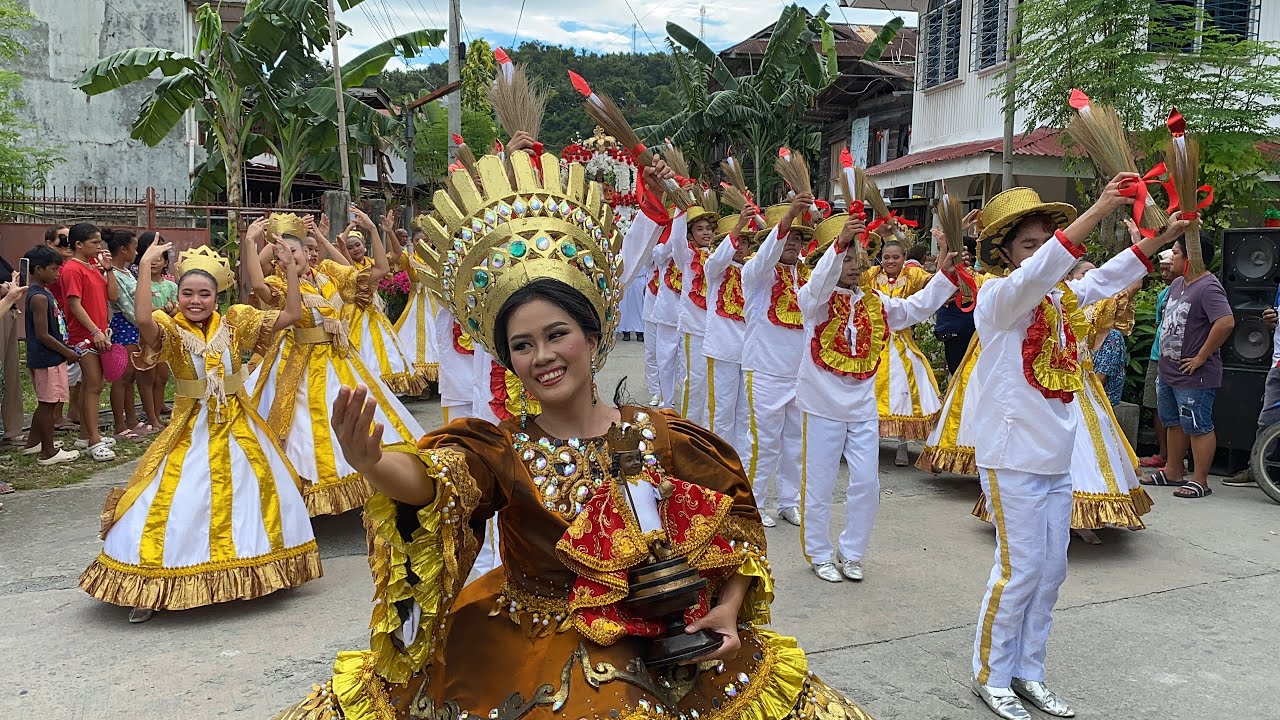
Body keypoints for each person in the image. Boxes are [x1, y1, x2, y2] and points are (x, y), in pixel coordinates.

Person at [273, 148, 874, 720]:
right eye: (522, 345)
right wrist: (374, 463)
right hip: (531, 646)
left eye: (556, 334)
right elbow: (437, 481)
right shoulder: (500, 449)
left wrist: (729, 609)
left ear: (592, 336)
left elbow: (736, 524)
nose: (542, 356)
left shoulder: (660, 436)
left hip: (663, 642)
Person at [967, 181, 1185, 720]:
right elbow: (1041, 272)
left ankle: (1029, 671)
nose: (1042, 251)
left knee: (1050, 575)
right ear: (1003, 253)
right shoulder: (997, 299)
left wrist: (1158, 241)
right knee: (1019, 571)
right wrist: (1100, 207)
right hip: (1011, 455)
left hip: (1055, 454)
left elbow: (1104, 278)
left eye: (1046, 240)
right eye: (1028, 244)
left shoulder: (1060, 300)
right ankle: (991, 675)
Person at [81, 236, 321, 624]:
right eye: (188, 293)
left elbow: (291, 314)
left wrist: (292, 271)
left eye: (204, 294)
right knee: (175, 500)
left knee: (258, 490)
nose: (196, 301)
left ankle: (267, 567)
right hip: (191, 425)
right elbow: (143, 320)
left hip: (239, 423)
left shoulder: (236, 322)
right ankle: (152, 584)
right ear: (177, 296)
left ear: (216, 297)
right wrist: (145, 268)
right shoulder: (171, 329)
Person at [798, 214, 958, 583]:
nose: (855, 266)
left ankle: (852, 552)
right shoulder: (815, 300)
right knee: (820, 484)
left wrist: (947, 275)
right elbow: (816, 286)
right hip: (822, 406)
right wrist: (840, 243)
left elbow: (915, 307)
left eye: (858, 258)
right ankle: (819, 553)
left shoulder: (876, 302)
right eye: (846, 259)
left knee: (867, 483)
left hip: (862, 408)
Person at [247, 212, 425, 516]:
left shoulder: (328, 276)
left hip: (341, 358)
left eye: (295, 250)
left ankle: (376, 473)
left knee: (361, 412)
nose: (290, 257)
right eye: (282, 253)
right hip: (301, 363)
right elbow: (258, 285)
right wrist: (251, 242)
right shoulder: (279, 283)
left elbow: (380, 270)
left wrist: (372, 229)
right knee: (306, 428)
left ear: (307, 252)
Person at [740, 193, 817, 528]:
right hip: (765, 371)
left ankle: (788, 502)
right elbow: (766, 256)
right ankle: (755, 503)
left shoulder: (807, 277)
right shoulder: (756, 273)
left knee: (795, 444)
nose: (793, 242)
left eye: (798, 237)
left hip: (799, 373)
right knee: (764, 443)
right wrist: (788, 218)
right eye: (788, 236)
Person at [1140, 234, 1233, 499]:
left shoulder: (1208, 287)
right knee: (1173, 422)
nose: (1171, 258)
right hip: (1169, 370)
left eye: (1176, 252)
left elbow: (1225, 322)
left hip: (1194, 373)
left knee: (1197, 424)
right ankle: (1173, 470)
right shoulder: (1178, 283)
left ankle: (1200, 480)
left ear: (1191, 256)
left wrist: (1201, 356)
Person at [868, 237, 944, 466]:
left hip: (902, 343)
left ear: (904, 258)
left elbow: (937, 283)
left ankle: (902, 446)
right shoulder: (872, 275)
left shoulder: (912, 275)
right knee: (869, 395)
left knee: (905, 394)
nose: (890, 261)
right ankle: (866, 444)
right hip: (873, 343)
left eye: (896, 257)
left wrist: (943, 248)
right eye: (886, 257)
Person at [336, 216, 428, 396]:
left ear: (364, 245)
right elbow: (339, 247)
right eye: (350, 247)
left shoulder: (373, 263)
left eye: (357, 245)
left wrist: (388, 231)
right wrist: (350, 228)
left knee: (384, 350)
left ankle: (388, 388)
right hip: (353, 314)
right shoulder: (346, 265)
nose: (355, 249)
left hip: (374, 312)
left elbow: (396, 255)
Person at [703, 210, 760, 460]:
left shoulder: (754, 272)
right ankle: (718, 464)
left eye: (745, 241)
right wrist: (737, 228)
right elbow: (716, 261)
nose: (740, 246)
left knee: (745, 415)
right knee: (721, 413)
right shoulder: (715, 269)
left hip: (749, 353)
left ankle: (741, 466)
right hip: (723, 349)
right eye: (737, 240)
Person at [61, 223, 117, 462]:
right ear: (79, 244)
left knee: (90, 386)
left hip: (99, 332)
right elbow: (74, 304)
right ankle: (94, 440)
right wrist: (94, 330)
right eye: (94, 242)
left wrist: (109, 270)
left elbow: (112, 296)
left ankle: (86, 435)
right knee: (93, 385)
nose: (99, 246)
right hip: (84, 335)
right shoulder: (72, 269)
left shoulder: (93, 266)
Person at [671, 194, 720, 424]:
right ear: (690, 235)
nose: (706, 233)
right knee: (695, 381)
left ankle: (710, 431)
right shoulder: (686, 255)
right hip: (695, 328)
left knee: (715, 385)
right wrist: (680, 208)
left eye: (709, 228)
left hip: (717, 330)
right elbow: (676, 239)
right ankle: (689, 429)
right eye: (699, 229)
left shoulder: (718, 256)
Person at [105, 229, 156, 439]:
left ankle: (132, 420)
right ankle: (119, 424)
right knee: (121, 376)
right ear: (123, 249)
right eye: (134, 248)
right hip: (124, 325)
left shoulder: (126, 272)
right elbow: (124, 303)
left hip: (133, 326)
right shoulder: (113, 274)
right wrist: (144, 321)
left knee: (131, 376)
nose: (136, 252)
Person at [135, 232, 177, 428]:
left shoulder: (171, 285)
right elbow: (142, 311)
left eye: (159, 259)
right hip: (146, 335)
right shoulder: (141, 284)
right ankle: (151, 416)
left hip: (166, 335)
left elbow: (177, 308)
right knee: (148, 377)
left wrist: (169, 309)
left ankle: (158, 411)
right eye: (151, 259)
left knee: (162, 377)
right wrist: (163, 309)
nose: (154, 263)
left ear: (165, 263)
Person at [1138, 250, 1176, 468]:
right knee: (1155, 405)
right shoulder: (1163, 295)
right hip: (1157, 355)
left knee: (1176, 407)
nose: (1164, 273)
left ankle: (1176, 459)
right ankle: (1163, 454)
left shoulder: (1192, 291)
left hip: (1178, 358)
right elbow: (1158, 323)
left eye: (1168, 268)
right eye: (1161, 269)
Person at [933, 235, 980, 376]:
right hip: (950, 330)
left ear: (971, 255)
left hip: (968, 330)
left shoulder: (977, 276)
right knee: (957, 373)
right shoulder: (949, 274)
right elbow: (938, 288)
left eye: (961, 251)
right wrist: (943, 248)